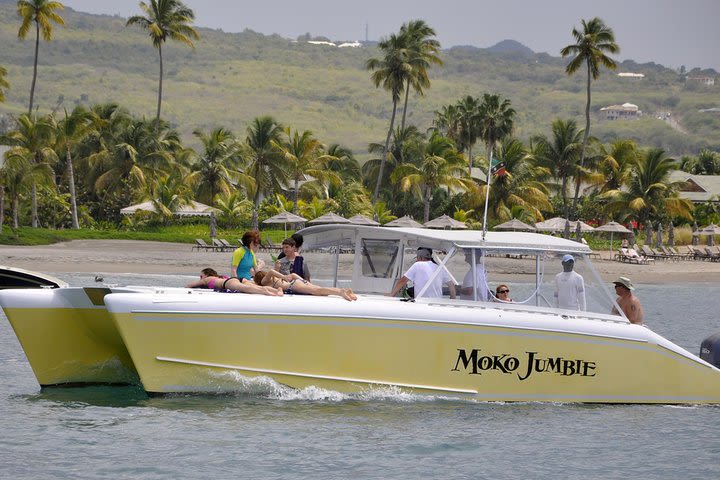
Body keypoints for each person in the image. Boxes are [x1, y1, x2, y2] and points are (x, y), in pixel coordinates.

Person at [388, 248, 456, 299]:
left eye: (417, 258)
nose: (416, 260)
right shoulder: (439, 268)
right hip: (437, 304)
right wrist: (452, 301)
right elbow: (451, 285)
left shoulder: (418, 264)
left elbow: (403, 280)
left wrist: (391, 295)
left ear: (420, 257)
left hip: (422, 303)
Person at [253, 270, 357, 301]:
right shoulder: (272, 279)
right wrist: (304, 281)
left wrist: (284, 277)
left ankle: (340, 292)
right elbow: (293, 274)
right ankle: (344, 291)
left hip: (292, 286)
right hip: (296, 282)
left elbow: (271, 271)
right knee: (319, 290)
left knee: (318, 291)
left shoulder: (264, 282)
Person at [186, 267, 282, 296]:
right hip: (235, 279)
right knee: (255, 286)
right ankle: (277, 290)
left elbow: (190, 285)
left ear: (207, 275)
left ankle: (267, 292)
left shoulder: (207, 279)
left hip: (228, 283)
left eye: (201, 276)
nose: (200, 278)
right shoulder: (219, 277)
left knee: (247, 288)